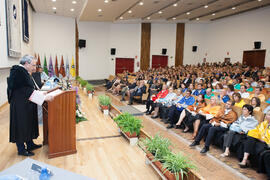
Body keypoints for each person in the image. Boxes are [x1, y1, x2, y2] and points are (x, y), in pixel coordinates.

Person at [7, 55, 53, 156]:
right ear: (26, 63)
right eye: (33, 65)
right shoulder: (19, 72)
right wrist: (44, 98)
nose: (35, 67)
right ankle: (21, 149)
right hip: (20, 105)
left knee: (28, 123)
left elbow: (29, 89)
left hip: (25, 103)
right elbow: (26, 91)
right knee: (21, 125)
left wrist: (40, 94)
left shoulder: (23, 71)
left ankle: (30, 144)